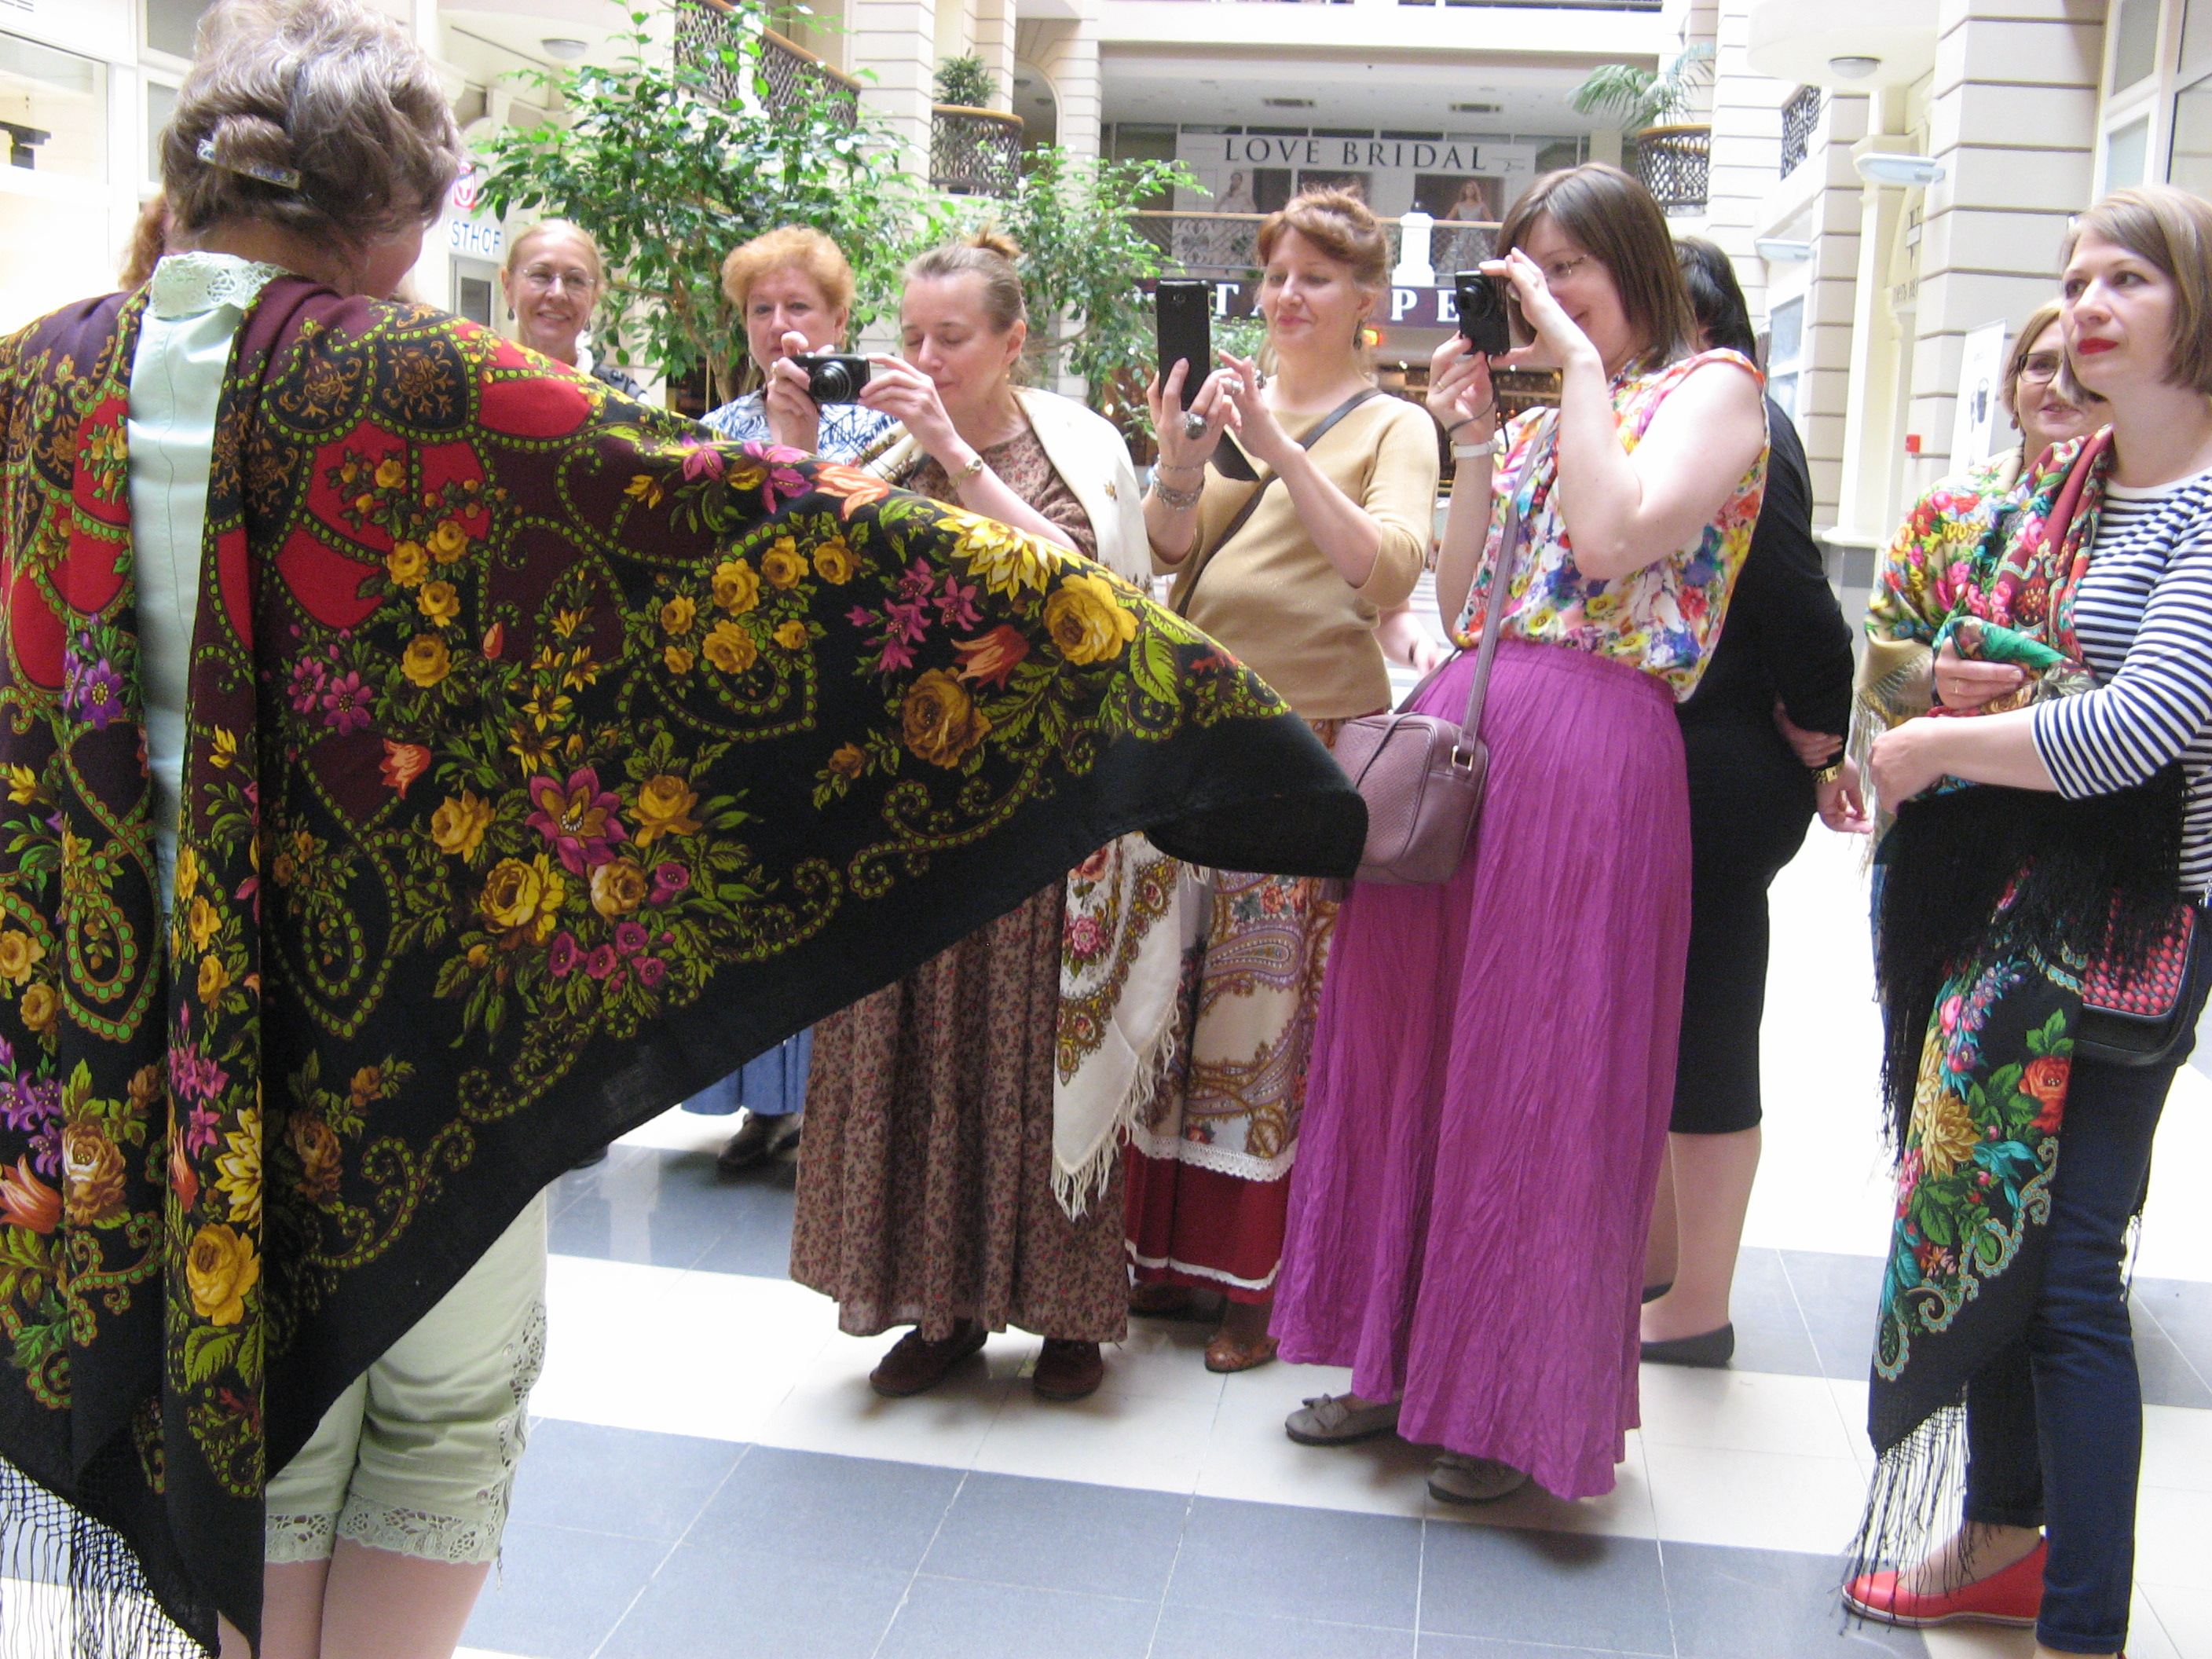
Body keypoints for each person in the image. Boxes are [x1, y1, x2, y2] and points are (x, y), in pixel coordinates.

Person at [0, 6, 1363, 1653]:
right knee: (433, 1412)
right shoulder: (422, 386)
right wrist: (1166, 698)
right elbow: (744, 544)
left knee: (244, 1410)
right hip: (400, 1026)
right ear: (391, 211)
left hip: (116, 1034)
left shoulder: (37, 381)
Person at [1270, 163, 1769, 1504]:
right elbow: (1459, 599)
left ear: (1632, 266)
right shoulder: (1554, 419)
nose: (1544, 295)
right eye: (1524, 272)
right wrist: (1484, 442)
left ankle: (1502, 1403)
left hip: (1595, 753)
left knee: (1539, 1073)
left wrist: (1577, 372)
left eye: (1568, 269)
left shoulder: (1715, 390)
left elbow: (1609, 544)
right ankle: (1393, 1359)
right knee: (1408, 1053)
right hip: (1470, 736)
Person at [1845, 184, 2212, 1659]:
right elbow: (1946, 645)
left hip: (2126, 931)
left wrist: (1937, 743)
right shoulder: (2075, 487)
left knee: (2064, 1275)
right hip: (2003, 910)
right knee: (1996, 1244)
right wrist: (1940, 684)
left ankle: (2082, 1623)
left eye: (2128, 279)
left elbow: (2141, 724)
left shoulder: (2201, 506)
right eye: (2074, 280)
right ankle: (2001, 1534)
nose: (2087, 307)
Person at [789, 229, 1156, 1406]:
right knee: (928, 1052)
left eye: (951, 337)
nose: (927, 357)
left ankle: (1068, 1317)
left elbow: (1089, 591)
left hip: (1044, 808)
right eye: (910, 336)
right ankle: (938, 1305)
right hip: (915, 808)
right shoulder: (888, 455)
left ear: (1013, 341)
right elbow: (814, 589)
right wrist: (797, 450)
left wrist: (956, 452)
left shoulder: (1077, 449)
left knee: (1038, 1059)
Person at [1127, 189, 1441, 1372]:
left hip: (1310, 740)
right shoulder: (1230, 401)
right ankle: (1170, 1254)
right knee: (1176, 995)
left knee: (1269, 1022)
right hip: (1203, 727)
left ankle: (1261, 1280)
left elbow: (1385, 570)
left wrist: (1279, 445)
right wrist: (1178, 462)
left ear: (1367, 299)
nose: (1286, 296)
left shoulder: (1394, 424)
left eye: (1315, 276)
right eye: (1274, 276)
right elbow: (1169, 549)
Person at [1638, 238, 1861, 1366]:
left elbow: (1802, 607)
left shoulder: (1738, 424)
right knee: (1672, 1021)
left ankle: (1696, 1302)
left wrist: (1821, 733)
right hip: (1695, 759)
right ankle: (1660, 1269)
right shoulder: (1691, 417)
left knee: (1708, 1021)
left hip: (1720, 772)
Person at [688, 227, 895, 1174]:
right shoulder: (713, 430)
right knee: (751, 890)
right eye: (761, 309)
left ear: (838, 319)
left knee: (831, 894)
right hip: (741, 687)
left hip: (844, 689)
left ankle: (829, 1103)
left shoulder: (883, 424)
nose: (780, 325)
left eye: (798, 307)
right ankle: (763, 1105)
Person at [1852, 300, 2104, 833]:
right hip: (1952, 808)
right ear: (2012, 384)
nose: (2059, 385)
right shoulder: (1950, 508)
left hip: (2093, 802)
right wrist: (1938, 679)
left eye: (2079, 366)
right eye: (2041, 365)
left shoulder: (2139, 512)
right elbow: (1886, 648)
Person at [498, 218, 641, 395]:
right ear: (508, 286)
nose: (557, 293)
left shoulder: (624, 400)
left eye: (575, 280)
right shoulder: (476, 385)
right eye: (541, 275)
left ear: (594, 296)